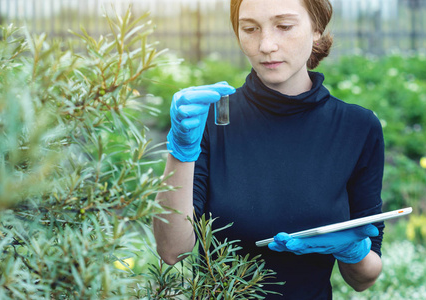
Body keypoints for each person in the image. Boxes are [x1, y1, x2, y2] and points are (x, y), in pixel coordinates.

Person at [153, 0, 385, 298]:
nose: (266, 45)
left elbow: (363, 279)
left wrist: (353, 250)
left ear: (317, 29)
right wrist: (181, 152)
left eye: (284, 26)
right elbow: (173, 251)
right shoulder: (212, 117)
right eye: (250, 29)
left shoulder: (357, 126)